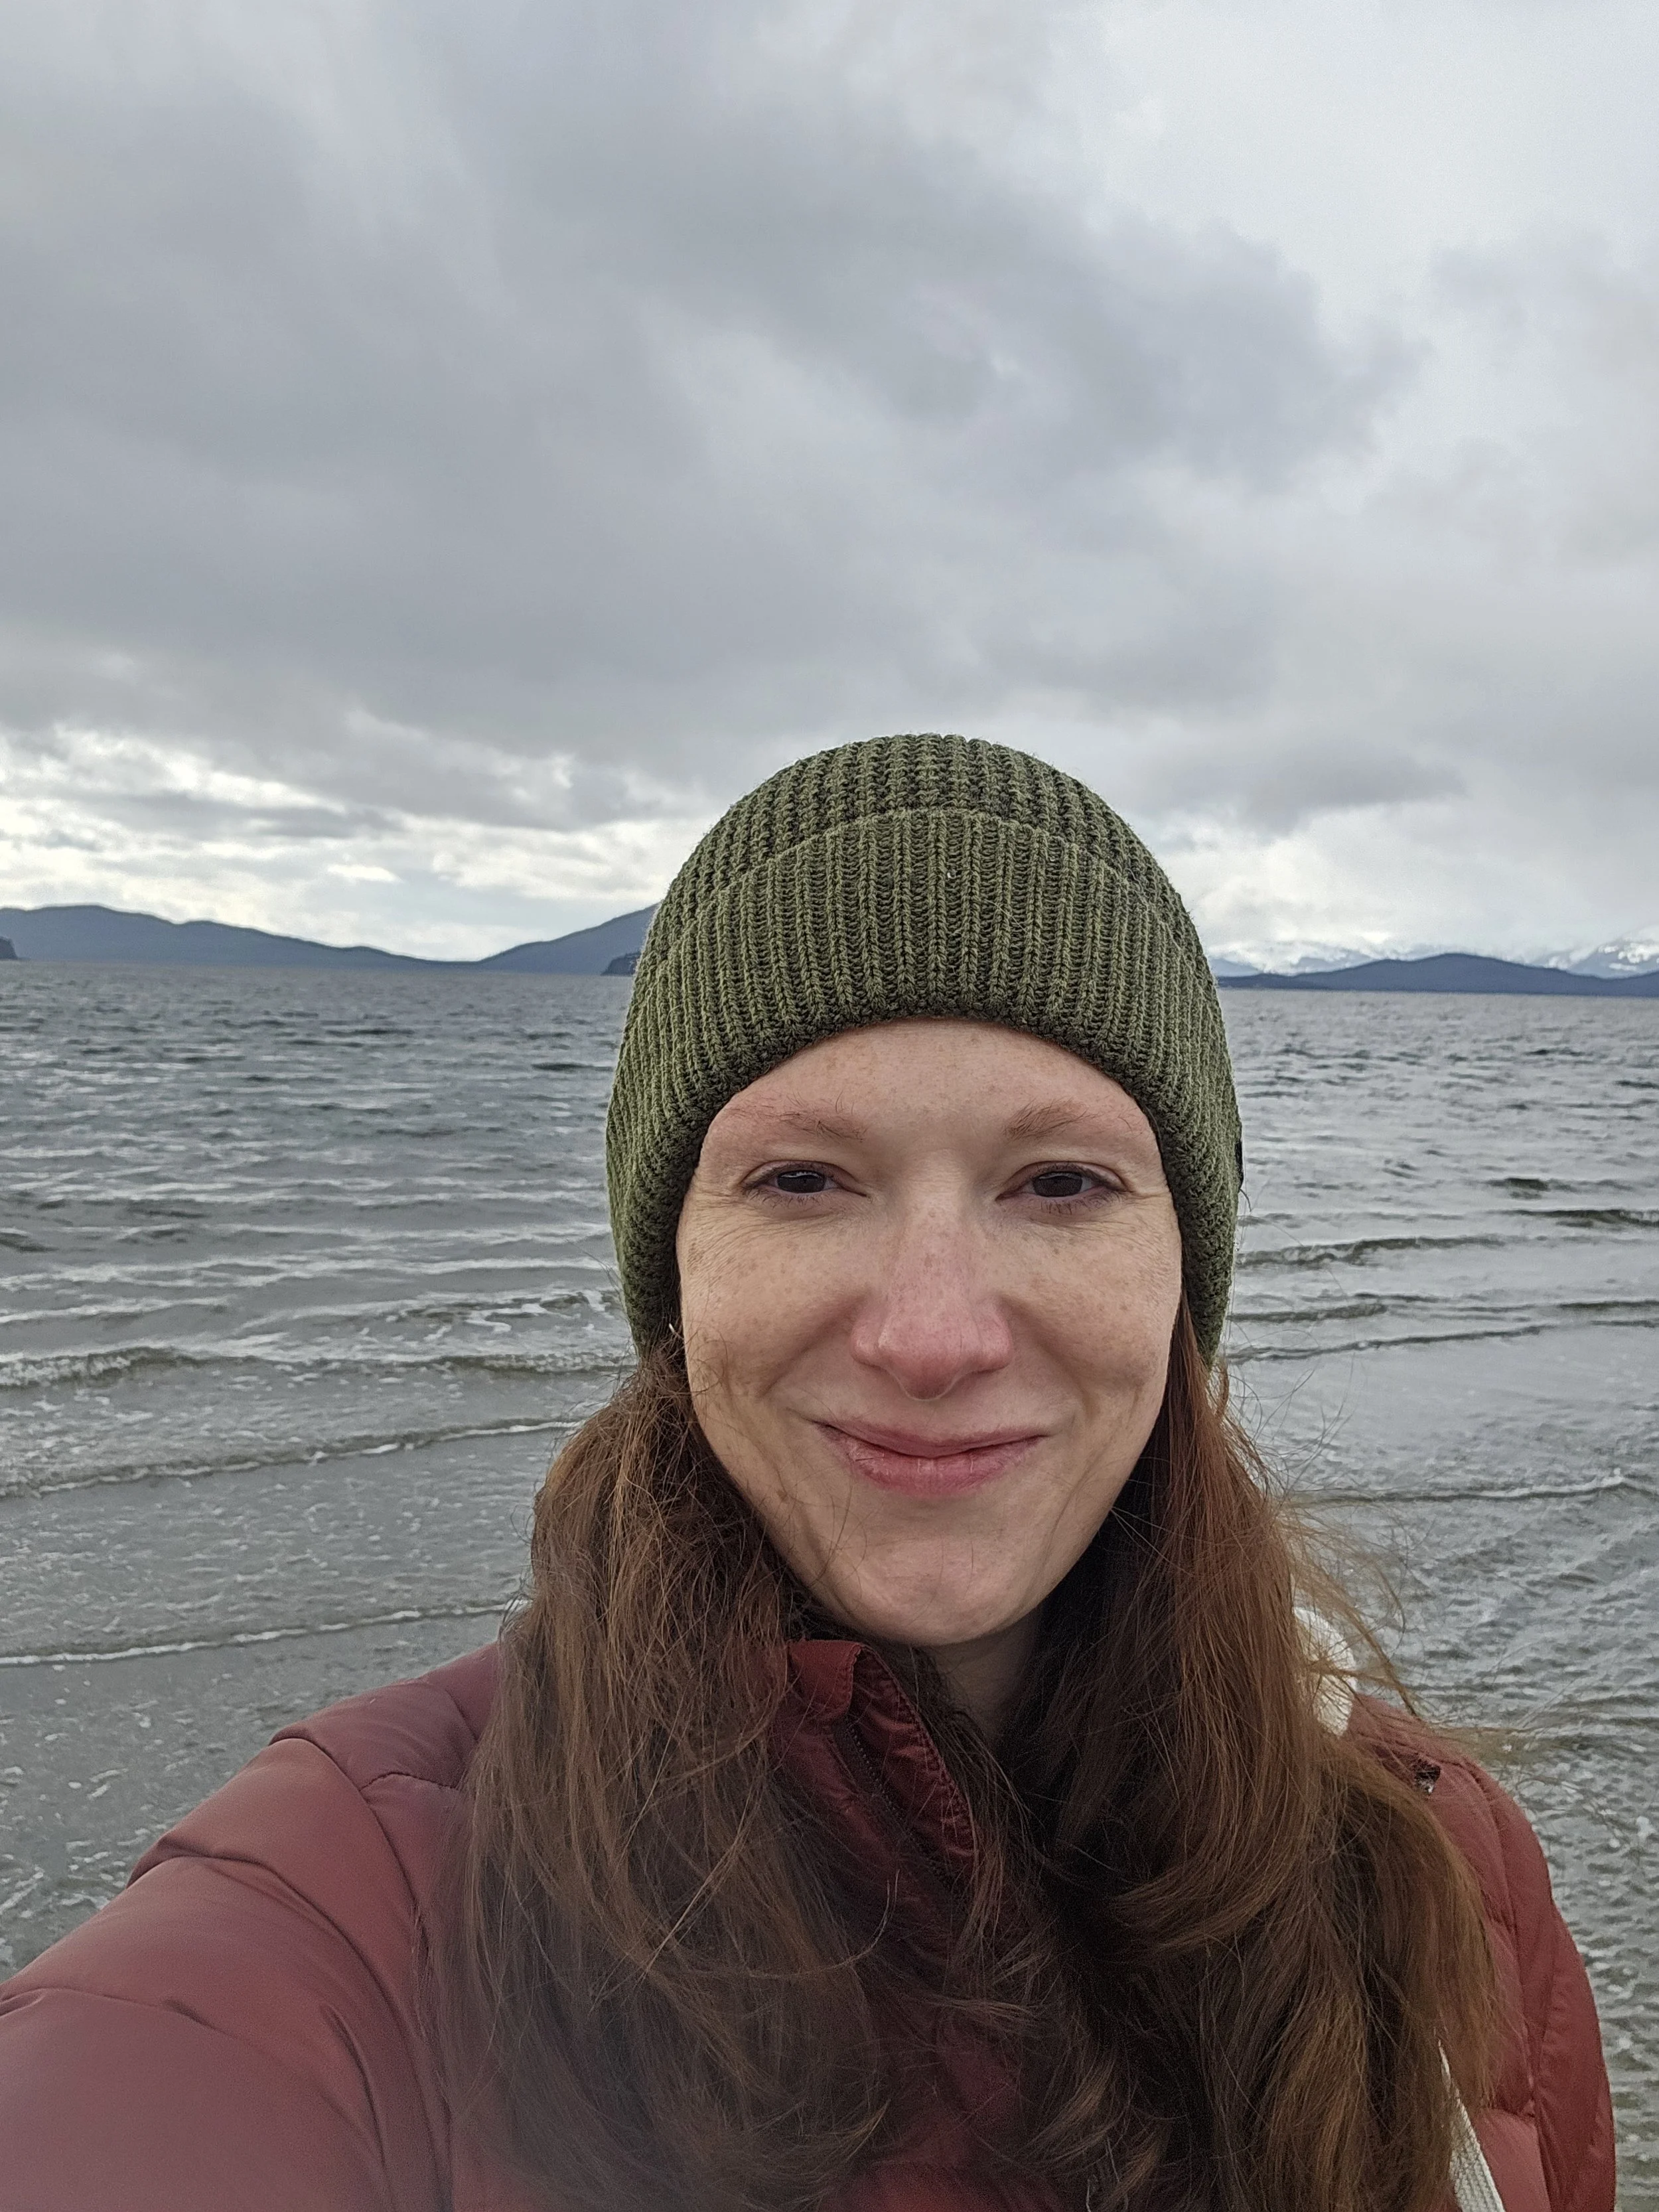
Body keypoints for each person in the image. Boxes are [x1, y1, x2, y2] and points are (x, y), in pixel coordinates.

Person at [0, 735, 1614, 2212]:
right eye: (799, 1177)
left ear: (1182, 1273)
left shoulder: (1428, 1864)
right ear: (675, 1267)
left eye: (1059, 1182)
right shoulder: (362, 1902)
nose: (929, 1333)